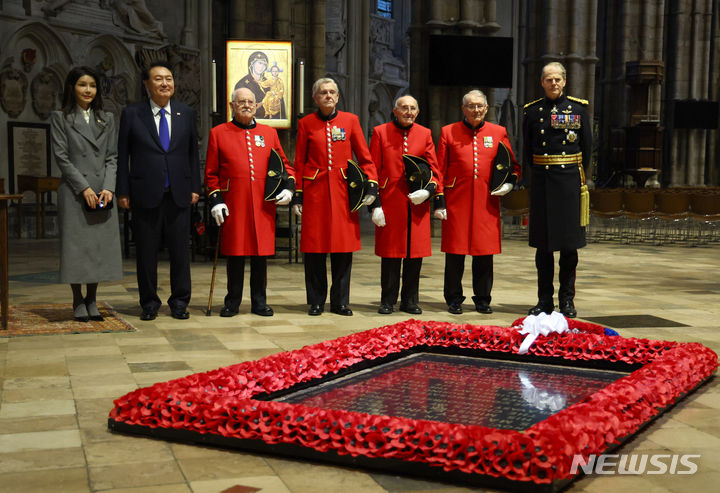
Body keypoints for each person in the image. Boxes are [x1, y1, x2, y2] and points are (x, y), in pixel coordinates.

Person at [116, 60, 201, 321]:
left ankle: (179, 302)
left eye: (169, 79)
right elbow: (123, 155)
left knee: (179, 252)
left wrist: (195, 187)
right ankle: (149, 303)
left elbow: (191, 153)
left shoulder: (185, 113)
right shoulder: (133, 114)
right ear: (146, 85)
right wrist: (123, 191)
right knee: (146, 253)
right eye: (158, 79)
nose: (165, 83)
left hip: (178, 192)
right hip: (144, 192)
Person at [204, 87, 295, 317]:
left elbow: (285, 166)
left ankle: (259, 302)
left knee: (260, 256)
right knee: (235, 255)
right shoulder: (218, 133)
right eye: (241, 101)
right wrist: (215, 198)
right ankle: (232, 302)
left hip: (262, 205)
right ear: (232, 105)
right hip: (234, 203)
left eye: (250, 102)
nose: (246, 105)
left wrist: (289, 187)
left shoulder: (269, 133)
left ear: (257, 106)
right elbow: (211, 172)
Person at [292, 77, 378, 316]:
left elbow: (365, 157)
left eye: (332, 92)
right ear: (315, 98)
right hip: (315, 192)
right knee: (315, 249)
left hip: (343, 193)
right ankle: (316, 301)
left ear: (338, 97)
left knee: (343, 249)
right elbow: (299, 161)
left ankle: (340, 301)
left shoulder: (350, 121)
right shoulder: (306, 123)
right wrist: (298, 194)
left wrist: (371, 187)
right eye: (323, 93)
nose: (328, 96)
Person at [435, 89, 520, 315]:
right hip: (456, 202)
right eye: (471, 106)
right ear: (463, 109)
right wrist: (439, 201)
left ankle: (483, 299)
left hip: (486, 202)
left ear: (486, 108)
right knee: (455, 254)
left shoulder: (498, 131)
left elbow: (512, 165)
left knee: (484, 253)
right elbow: (439, 169)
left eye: (480, 106)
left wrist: (510, 183)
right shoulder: (448, 132)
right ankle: (453, 298)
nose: (476, 110)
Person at [50, 66, 123, 322]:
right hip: (75, 192)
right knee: (76, 247)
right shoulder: (61, 117)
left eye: (92, 85)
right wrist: (84, 188)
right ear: (72, 87)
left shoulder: (107, 118)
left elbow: (112, 157)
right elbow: (61, 157)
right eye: (82, 85)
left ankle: (92, 298)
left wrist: (108, 187)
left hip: (102, 191)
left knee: (97, 247)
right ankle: (77, 299)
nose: (88, 90)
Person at [523, 61, 591, 319]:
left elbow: (587, 148)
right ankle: (543, 300)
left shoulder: (578, 108)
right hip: (542, 183)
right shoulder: (531, 111)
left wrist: (582, 180)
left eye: (557, 79)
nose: (553, 83)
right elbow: (528, 151)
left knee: (569, 247)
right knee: (543, 247)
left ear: (564, 81)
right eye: (548, 79)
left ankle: (566, 300)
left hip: (569, 184)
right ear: (542, 82)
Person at [369, 94, 442, 315]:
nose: (408, 112)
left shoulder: (425, 134)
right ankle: (387, 300)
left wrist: (428, 191)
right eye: (404, 108)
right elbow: (372, 168)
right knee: (391, 254)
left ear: (417, 112)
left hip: (416, 202)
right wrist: (375, 204)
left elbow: (434, 169)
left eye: (412, 108)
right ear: (395, 111)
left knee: (414, 254)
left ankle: (410, 300)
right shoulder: (380, 132)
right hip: (390, 201)